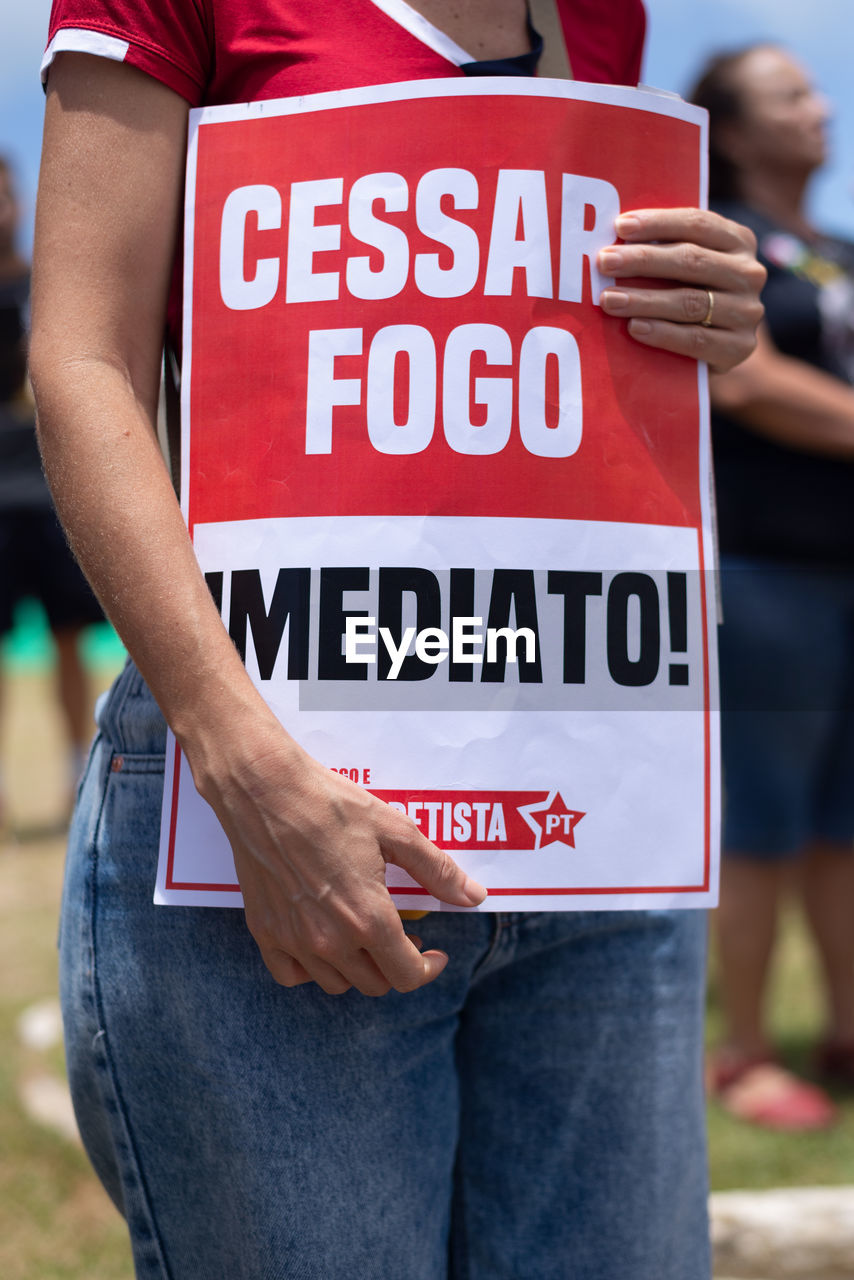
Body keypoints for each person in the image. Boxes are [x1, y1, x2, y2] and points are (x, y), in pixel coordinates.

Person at [31, 3, 764, 1276]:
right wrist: (241, 764)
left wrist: (707, 312)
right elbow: (81, 357)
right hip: (267, 812)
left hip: (595, 810)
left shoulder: (602, 17)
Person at [692, 45, 854, 1131]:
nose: (821, 105)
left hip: (842, 567)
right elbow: (738, 375)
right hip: (757, 568)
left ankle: (843, 1029)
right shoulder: (718, 243)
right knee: (755, 822)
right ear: (736, 133)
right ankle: (741, 1050)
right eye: (790, 94)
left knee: (841, 823)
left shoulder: (833, 249)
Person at [0, 156, 102, 834]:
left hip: (55, 491)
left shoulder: (49, 287)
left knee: (72, 642)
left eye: (6, 193)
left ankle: (76, 783)